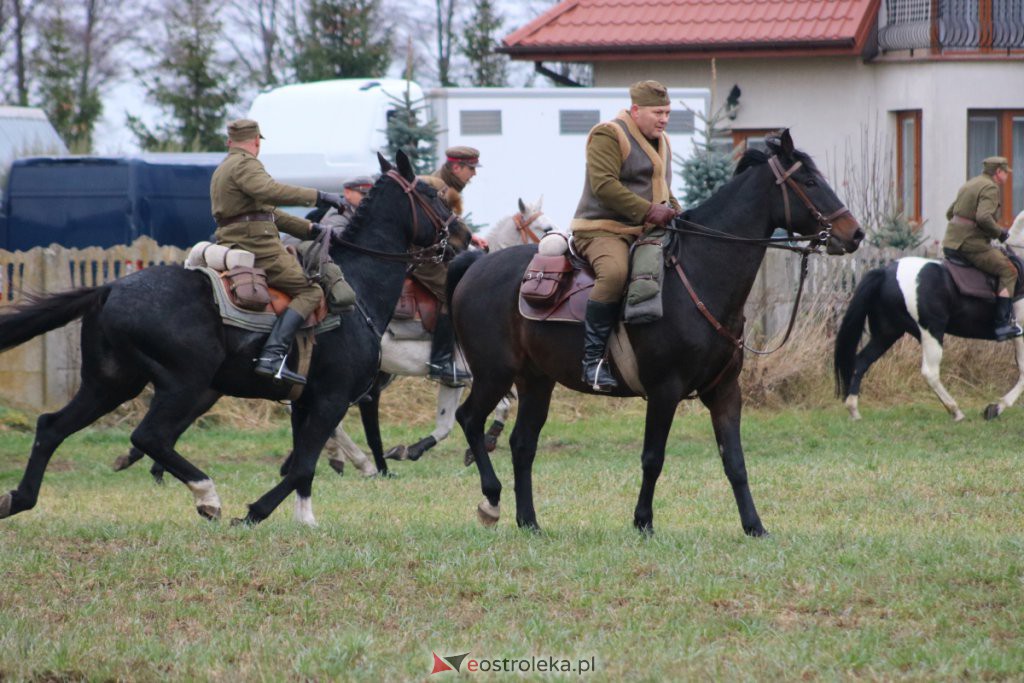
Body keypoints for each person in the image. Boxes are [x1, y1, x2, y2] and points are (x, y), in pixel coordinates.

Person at [211, 118, 345, 385]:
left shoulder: (225, 167)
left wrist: (310, 229)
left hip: (233, 239)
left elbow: (266, 213)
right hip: (257, 246)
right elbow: (271, 191)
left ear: (229, 141)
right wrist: (320, 196)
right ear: (257, 142)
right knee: (311, 291)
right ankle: (272, 355)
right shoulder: (246, 164)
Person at [570, 80, 681, 391]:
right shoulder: (608, 134)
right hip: (602, 229)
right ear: (635, 110)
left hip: (645, 230)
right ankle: (592, 363)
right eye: (658, 112)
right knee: (616, 273)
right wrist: (649, 211)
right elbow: (604, 186)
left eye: (668, 112)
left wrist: (679, 213)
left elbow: (663, 190)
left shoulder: (663, 140)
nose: (664, 119)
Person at [412, 146, 481, 386]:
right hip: (422, 257)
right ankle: (439, 362)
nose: (474, 174)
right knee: (454, 293)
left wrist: (471, 239)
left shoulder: (450, 186)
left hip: (437, 253)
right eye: (470, 169)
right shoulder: (438, 187)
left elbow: (451, 225)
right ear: (456, 167)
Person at [942, 155, 1021, 341]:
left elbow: (949, 213)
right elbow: (983, 217)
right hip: (970, 245)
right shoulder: (991, 188)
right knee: (1009, 270)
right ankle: (1002, 324)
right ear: (998, 173)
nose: (1007, 177)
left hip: (951, 242)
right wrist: (1001, 233)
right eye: (1006, 173)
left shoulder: (970, 184)